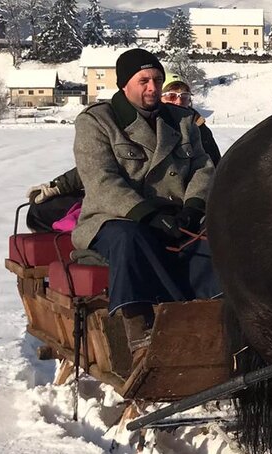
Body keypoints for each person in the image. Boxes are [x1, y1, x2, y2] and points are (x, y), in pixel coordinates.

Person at [71, 48, 220, 355]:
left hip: (178, 214)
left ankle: (220, 317)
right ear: (124, 84)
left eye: (157, 79)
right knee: (131, 238)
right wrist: (146, 214)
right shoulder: (98, 122)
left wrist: (193, 208)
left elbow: (204, 167)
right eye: (144, 80)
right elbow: (101, 182)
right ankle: (141, 331)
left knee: (222, 234)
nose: (153, 87)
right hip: (116, 217)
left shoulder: (181, 121)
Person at [24, 75, 220, 230]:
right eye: (171, 96)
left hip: (175, 204)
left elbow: (209, 170)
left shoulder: (195, 129)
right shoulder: (146, 123)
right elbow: (101, 166)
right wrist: (58, 186)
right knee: (43, 209)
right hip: (129, 196)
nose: (178, 102)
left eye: (184, 97)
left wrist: (194, 208)